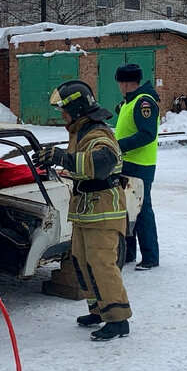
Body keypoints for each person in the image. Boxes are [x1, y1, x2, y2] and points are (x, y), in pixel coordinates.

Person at [40, 80, 132, 341]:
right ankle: (99, 310)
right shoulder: (80, 131)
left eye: (65, 110)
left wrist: (61, 158)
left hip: (103, 211)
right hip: (86, 210)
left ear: (78, 108)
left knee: (102, 264)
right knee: (83, 262)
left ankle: (118, 319)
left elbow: (102, 163)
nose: (62, 115)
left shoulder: (97, 133)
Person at [112, 63, 160, 270]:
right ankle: (129, 253)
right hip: (126, 162)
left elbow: (147, 134)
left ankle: (150, 256)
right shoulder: (129, 102)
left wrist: (119, 146)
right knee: (126, 208)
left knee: (141, 209)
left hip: (140, 164)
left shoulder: (143, 102)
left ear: (124, 83)